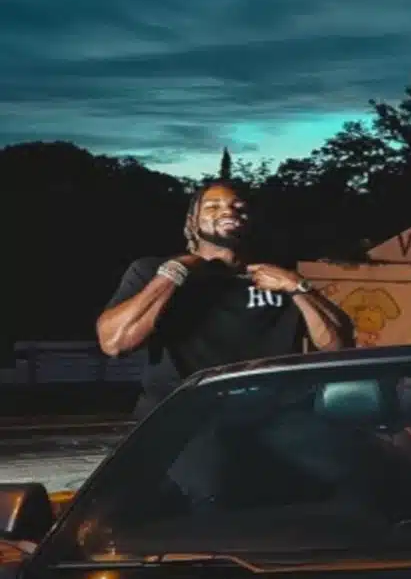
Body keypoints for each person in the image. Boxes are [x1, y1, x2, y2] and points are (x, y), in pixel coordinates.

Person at [97, 179, 353, 418]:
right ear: (192, 222)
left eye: (238, 207)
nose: (228, 211)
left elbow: (338, 346)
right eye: (213, 206)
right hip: (184, 417)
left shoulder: (278, 277)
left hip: (270, 416)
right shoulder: (154, 271)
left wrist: (298, 287)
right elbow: (115, 343)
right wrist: (173, 273)